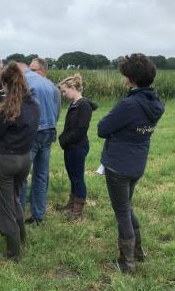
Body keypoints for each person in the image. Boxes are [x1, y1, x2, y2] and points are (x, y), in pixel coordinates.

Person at [98, 54, 164, 273]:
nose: (124, 80)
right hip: (137, 163)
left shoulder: (129, 104)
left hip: (118, 165)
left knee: (122, 212)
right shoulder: (155, 103)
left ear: (132, 79)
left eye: (126, 76)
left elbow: (102, 128)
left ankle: (126, 263)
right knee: (127, 206)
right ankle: (138, 252)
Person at [0, 62, 40, 261]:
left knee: (4, 206)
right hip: (25, 158)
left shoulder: (8, 108)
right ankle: (21, 236)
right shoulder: (34, 104)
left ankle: (13, 252)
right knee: (14, 199)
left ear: (6, 84)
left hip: (6, 160)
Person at [19, 58, 61, 224]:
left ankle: (18, 214)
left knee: (22, 174)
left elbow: (21, 109)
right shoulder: (51, 85)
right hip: (49, 131)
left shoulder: (25, 82)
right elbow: (57, 110)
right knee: (42, 175)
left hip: (33, 132)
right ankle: (38, 215)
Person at [58, 73, 98, 220]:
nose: (63, 94)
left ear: (73, 87)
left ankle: (78, 211)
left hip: (78, 147)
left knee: (78, 178)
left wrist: (64, 140)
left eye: (64, 91)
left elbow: (81, 129)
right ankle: (72, 203)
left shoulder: (84, 105)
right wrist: (63, 139)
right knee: (72, 176)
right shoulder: (74, 104)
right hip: (70, 146)